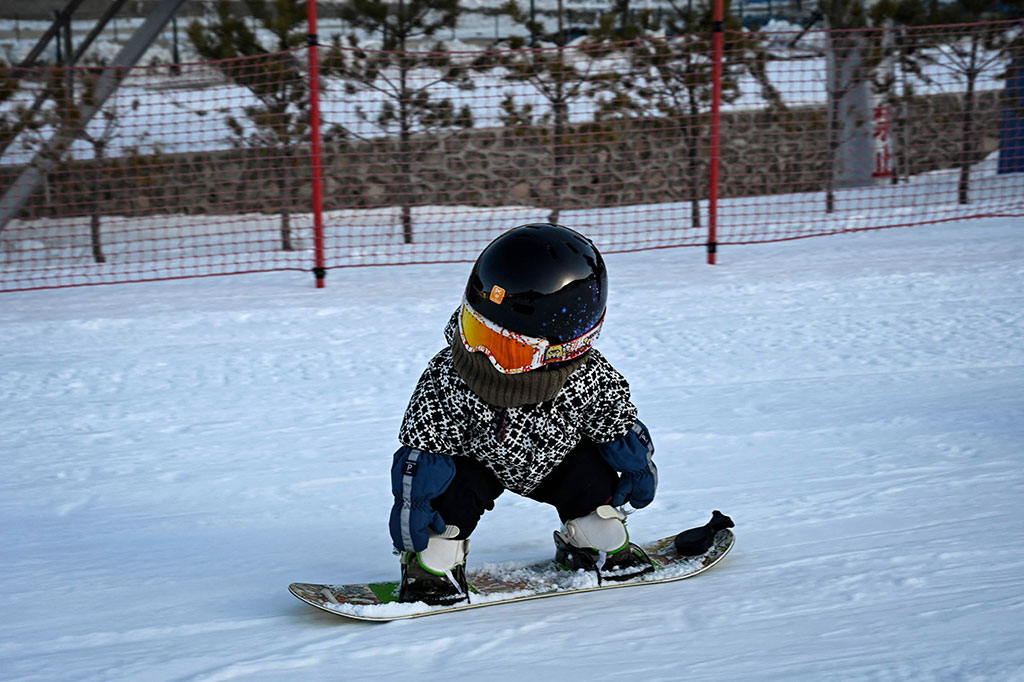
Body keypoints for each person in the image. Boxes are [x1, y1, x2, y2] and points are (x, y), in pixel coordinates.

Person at [389, 223, 658, 605]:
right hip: (477, 466)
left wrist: (637, 465)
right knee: (443, 519)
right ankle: (432, 565)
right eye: (476, 332)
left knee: (601, 519)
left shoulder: (587, 379)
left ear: (562, 350)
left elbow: (615, 426)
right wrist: (413, 503)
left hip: (559, 463)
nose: (480, 356)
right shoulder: (450, 376)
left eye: (504, 348)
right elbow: (426, 447)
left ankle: (589, 542)